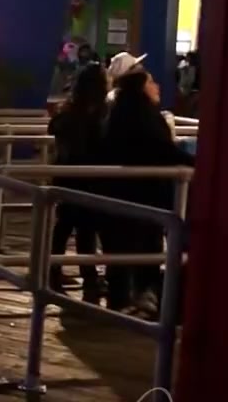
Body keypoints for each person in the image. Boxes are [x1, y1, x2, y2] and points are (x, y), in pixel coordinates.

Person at [100, 69, 194, 316]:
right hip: (144, 192)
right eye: (151, 82)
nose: (157, 86)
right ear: (140, 87)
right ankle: (143, 297)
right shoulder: (144, 115)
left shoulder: (119, 112)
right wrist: (193, 161)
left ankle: (122, 298)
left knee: (125, 246)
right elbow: (162, 149)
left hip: (123, 190)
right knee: (145, 244)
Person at [47, 63, 108, 303]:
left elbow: (57, 131)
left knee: (64, 226)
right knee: (85, 230)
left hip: (66, 176)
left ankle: (53, 271)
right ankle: (88, 279)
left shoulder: (69, 111)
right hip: (89, 178)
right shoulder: (98, 114)